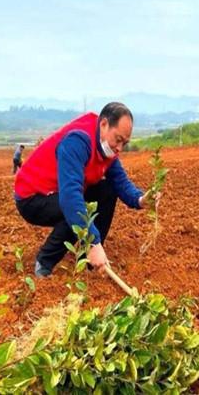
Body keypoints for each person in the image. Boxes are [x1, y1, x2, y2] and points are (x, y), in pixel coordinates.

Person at [14, 102, 158, 277]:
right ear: (104, 124)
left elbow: (120, 182)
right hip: (32, 198)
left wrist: (141, 199)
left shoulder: (107, 149)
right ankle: (44, 262)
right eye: (118, 140)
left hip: (59, 194)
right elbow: (70, 198)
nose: (119, 148)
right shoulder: (77, 142)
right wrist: (92, 242)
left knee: (107, 190)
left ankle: (89, 260)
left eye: (124, 143)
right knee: (75, 210)